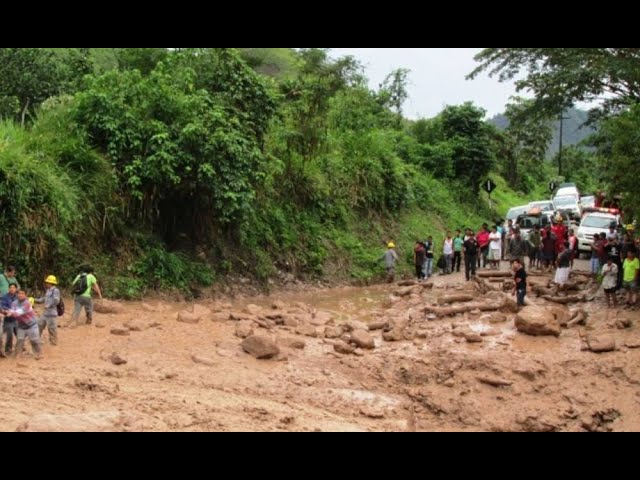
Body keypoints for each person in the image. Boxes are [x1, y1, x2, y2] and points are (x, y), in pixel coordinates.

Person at [3, 290, 41, 359]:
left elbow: (20, 312)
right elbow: (12, 309)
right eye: (19, 293)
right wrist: (9, 312)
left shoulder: (27, 303)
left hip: (31, 325)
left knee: (34, 340)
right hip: (21, 325)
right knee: (19, 340)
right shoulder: (14, 303)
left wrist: (10, 313)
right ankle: (18, 355)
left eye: (22, 293)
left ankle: (38, 354)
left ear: (25, 295)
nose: (20, 295)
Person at [35, 276, 61, 346]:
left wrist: (49, 305)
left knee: (52, 329)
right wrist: (34, 300)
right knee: (39, 325)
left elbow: (56, 300)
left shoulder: (55, 290)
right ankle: (36, 340)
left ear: (51, 283)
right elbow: (43, 299)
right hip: (45, 313)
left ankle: (53, 343)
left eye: (47, 282)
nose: (46, 283)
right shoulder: (48, 290)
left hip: (52, 313)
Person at [0, 284, 18, 357]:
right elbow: (3, 307)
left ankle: (20, 348)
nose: (12, 289)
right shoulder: (4, 297)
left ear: (16, 289)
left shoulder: (18, 297)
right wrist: (7, 311)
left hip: (16, 319)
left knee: (19, 334)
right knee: (9, 334)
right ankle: (8, 349)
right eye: (10, 287)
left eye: (13, 288)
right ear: (8, 289)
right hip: (8, 320)